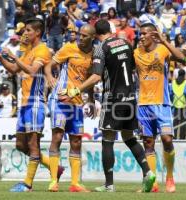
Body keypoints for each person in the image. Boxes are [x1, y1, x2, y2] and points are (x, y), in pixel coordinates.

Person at [60, 19, 156, 193]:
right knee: (129, 137)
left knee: (107, 139)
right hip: (130, 97)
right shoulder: (126, 44)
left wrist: (76, 90)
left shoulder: (101, 48)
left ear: (96, 34)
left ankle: (109, 185)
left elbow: (96, 77)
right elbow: (132, 67)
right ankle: (148, 172)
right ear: (110, 30)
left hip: (113, 98)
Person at [0, 18, 63, 192]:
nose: (25, 33)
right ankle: (55, 168)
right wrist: (0, 57)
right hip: (24, 104)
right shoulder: (29, 50)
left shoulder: (43, 50)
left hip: (35, 103)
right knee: (20, 146)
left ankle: (27, 184)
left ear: (37, 32)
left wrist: (14, 56)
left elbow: (31, 70)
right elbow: (15, 69)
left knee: (32, 145)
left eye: (28, 30)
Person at [44, 24, 96, 193]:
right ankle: (53, 180)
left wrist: (92, 101)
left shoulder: (94, 54)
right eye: (79, 35)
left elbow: (89, 80)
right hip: (60, 99)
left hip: (77, 102)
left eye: (84, 36)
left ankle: (75, 183)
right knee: (57, 137)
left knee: (76, 141)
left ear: (92, 38)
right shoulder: (69, 48)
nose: (80, 38)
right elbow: (48, 65)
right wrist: (50, 76)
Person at [134, 23, 185, 193]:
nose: (141, 36)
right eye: (140, 34)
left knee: (167, 140)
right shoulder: (136, 53)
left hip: (162, 103)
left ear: (153, 35)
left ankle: (169, 177)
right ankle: (152, 182)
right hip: (143, 104)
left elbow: (181, 58)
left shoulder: (162, 50)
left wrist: (165, 41)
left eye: (144, 34)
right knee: (148, 142)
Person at [171, 69, 186, 139]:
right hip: (184, 104)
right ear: (184, 75)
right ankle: (182, 137)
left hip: (176, 104)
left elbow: (171, 93)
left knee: (175, 121)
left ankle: (174, 137)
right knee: (183, 122)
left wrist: (172, 100)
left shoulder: (173, 82)